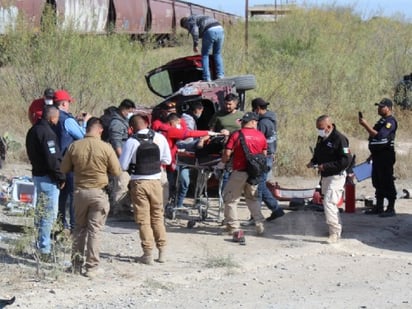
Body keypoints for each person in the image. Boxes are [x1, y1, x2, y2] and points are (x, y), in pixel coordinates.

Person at [61, 117, 121, 277]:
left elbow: (64, 168)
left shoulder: (74, 146)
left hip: (80, 192)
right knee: (95, 230)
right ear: (100, 129)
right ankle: (92, 268)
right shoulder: (106, 147)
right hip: (98, 193)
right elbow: (116, 171)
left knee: (79, 229)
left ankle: (75, 265)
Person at [119, 114, 172, 265]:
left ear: (131, 127)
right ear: (147, 124)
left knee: (143, 219)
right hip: (156, 181)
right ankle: (162, 252)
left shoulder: (131, 141)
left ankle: (147, 254)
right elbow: (167, 160)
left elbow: (123, 166)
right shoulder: (160, 138)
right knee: (157, 216)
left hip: (139, 182)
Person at [26, 105, 66, 261]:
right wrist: (60, 177)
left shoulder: (33, 130)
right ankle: (44, 249)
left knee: (40, 212)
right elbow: (53, 160)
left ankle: (39, 245)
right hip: (48, 178)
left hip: (38, 175)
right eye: (56, 118)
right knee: (48, 215)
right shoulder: (47, 133)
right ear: (52, 118)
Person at [217, 112, 267, 236]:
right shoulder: (261, 136)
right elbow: (264, 154)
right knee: (252, 198)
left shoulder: (236, 135)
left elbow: (227, 153)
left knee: (230, 199)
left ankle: (233, 227)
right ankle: (259, 222)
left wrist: (221, 165)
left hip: (239, 172)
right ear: (254, 123)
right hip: (254, 173)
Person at [307, 115, 351, 244]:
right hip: (325, 176)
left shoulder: (340, 139)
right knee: (328, 202)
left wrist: (325, 166)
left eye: (320, 128)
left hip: (336, 176)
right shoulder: (321, 138)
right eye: (317, 128)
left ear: (329, 126)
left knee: (329, 202)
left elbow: (345, 161)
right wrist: (313, 162)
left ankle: (335, 232)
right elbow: (318, 153)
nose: (319, 131)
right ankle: (337, 227)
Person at [53, 89, 90, 232]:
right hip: (69, 161)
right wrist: (85, 122)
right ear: (63, 103)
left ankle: (61, 224)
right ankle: (75, 226)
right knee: (73, 194)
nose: (69, 105)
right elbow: (82, 136)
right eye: (68, 102)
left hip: (55, 160)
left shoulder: (51, 116)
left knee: (61, 194)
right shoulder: (67, 120)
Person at [165, 113, 217, 207]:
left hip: (180, 160)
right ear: (173, 122)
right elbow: (187, 134)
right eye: (178, 123)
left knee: (185, 182)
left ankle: (178, 205)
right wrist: (206, 133)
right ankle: (168, 205)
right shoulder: (170, 130)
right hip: (169, 164)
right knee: (170, 185)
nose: (179, 126)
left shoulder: (174, 130)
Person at [359, 98, 398, 217]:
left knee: (387, 180)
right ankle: (379, 207)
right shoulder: (381, 121)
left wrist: (365, 125)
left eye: (382, 106)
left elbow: (380, 136)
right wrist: (371, 155)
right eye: (378, 106)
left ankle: (391, 208)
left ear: (389, 108)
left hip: (386, 156)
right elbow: (374, 138)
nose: (379, 108)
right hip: (377, 156)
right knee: (377, 181)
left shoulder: (390, 121)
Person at [251, 98, 285, 222]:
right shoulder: (271, 120)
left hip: (263, 157)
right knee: (261, 185)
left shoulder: (263, 123)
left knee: (259, 187)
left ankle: (256, 216)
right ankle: (276, 211)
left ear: (257, 109)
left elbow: (256, 140)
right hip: (269, 156)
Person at [107, 99, 136, 216]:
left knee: (125, 183)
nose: (130, 114)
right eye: (129, 111)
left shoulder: (123, 121)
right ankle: (118, 210)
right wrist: (123, 160)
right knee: (121, 184)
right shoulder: (116, 123)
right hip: (120, 159)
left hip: (124, 157)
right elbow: (116, 143)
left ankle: (124, 208)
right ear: (124, 109)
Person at [180, 15, 225, 82]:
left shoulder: (190, 21)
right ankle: (220, 75)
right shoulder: (198, 17)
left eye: (186, 28)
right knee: (217, 54)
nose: (187, 29)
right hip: (220, 29)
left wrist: (195, 45)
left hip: (210, 30)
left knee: (205, 55)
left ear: (184, 24)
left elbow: (195, 31)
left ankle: (206, 78)